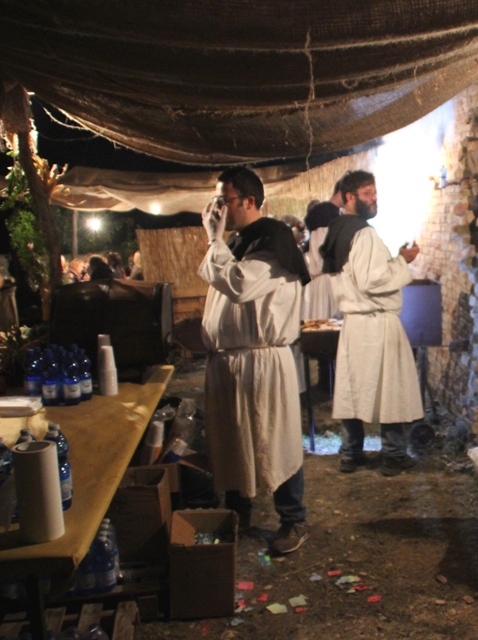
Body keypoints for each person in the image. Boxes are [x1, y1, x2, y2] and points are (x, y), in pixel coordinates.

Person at [199, 166, 312, 554]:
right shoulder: (240, 242)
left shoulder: (273, 241)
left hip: (262, 362)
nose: (218, 209)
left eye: (224, 200)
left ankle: (293, 518)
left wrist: (213, 239)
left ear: (248, 201)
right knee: (235, 440)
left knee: (273, 438)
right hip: (232, 362)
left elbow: (239, 285)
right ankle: (237, 514)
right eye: (216, 201)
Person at [319, 170, 423, 477]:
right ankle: (393, 455)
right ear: (350, 197)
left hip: (355, 325)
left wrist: (395, 260)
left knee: (354, 387)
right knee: (391, 388)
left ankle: (351, 454)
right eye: (367, 193)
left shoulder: (338, 229)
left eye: (375, 192)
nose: (374, 198)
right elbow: (372, 280)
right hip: (376, 323)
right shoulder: (363, 233)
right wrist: (403, 261)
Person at [302, 176, 345, 321]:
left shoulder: (334, 214)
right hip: (325, 282)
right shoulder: (325, 214)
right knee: (324, 325)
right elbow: (322, 257)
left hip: (328, 281)